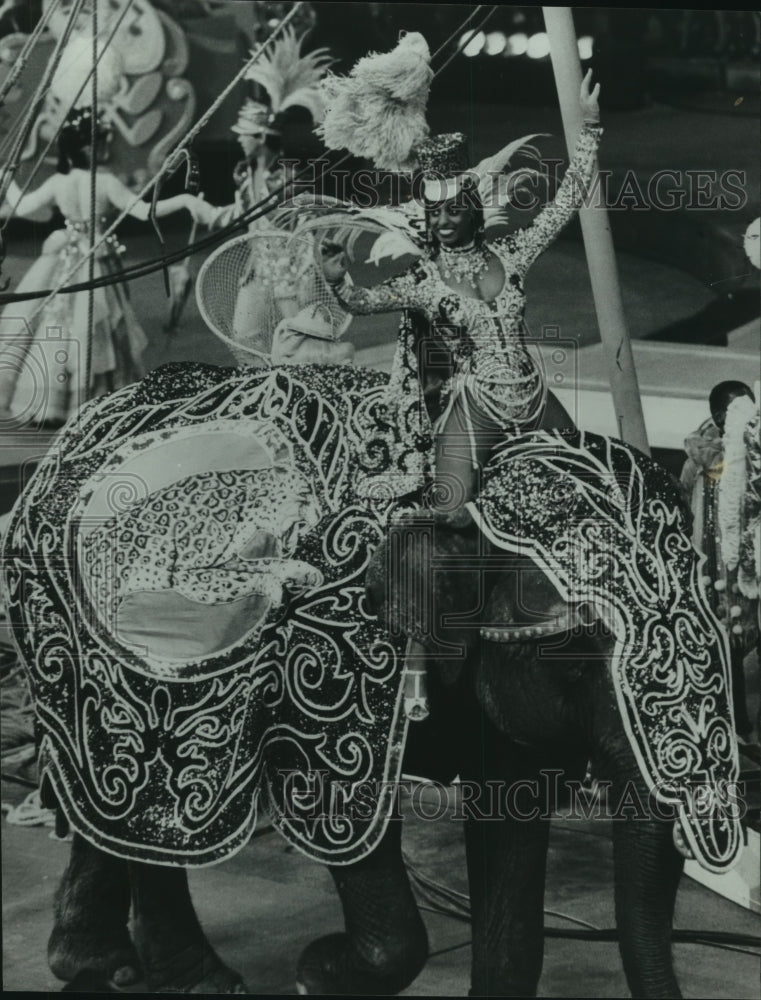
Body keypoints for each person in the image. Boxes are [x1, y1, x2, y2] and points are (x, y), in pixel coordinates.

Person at [320, 70, 602, 514]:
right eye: (435, 213)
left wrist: (589, 128)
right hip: (476, 403)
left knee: (585, 481)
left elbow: (565, 203)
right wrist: (339, 279)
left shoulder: (512, 254)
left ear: (474, 211)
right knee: (450, 508)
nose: (443, 222)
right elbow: (363, 302)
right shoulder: (423, 279)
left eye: (454, 211)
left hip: (532, 394)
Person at [0, 106, 209, 426]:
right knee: (95, 328)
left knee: (60, 325)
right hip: (92, 259)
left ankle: (62, 398)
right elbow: (143, 212)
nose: (106, 149)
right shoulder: (104, 181)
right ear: (90, 147)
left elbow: (21, 206)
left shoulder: (61, 180)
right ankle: (88, 398)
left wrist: (7, 175)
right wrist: (185, 201)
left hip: (66, 255)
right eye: (102, 142)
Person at [681, 379, 758, 740]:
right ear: (718, 416)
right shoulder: (698, 459)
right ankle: (736, 729)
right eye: (736, 410)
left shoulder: (755, 451)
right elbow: (687, 512)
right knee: (724, 647)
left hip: (750, 564)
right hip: (714, 569)